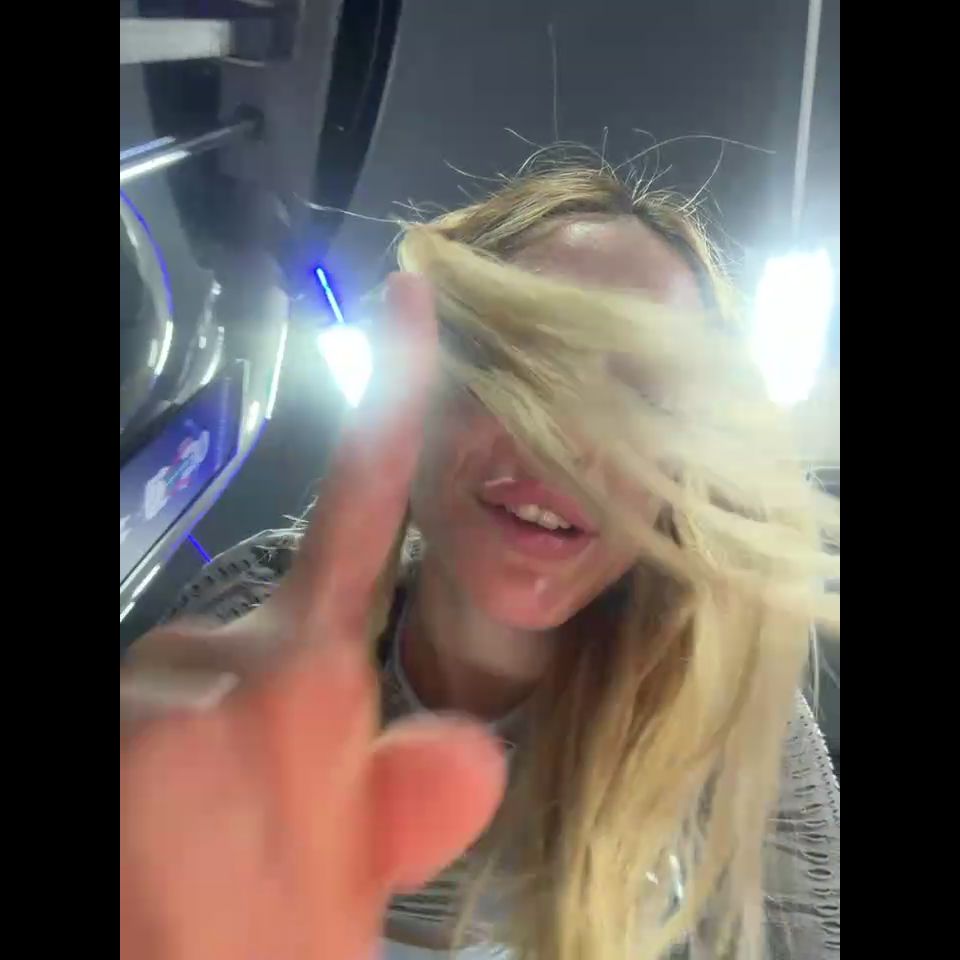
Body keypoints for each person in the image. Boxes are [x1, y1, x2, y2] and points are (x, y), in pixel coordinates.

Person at [120, 160, 840, 960]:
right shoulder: (254, 608)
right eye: (517, 364)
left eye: (640, 397)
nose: (564, 442)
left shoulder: (731, 718)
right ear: (419, 383)